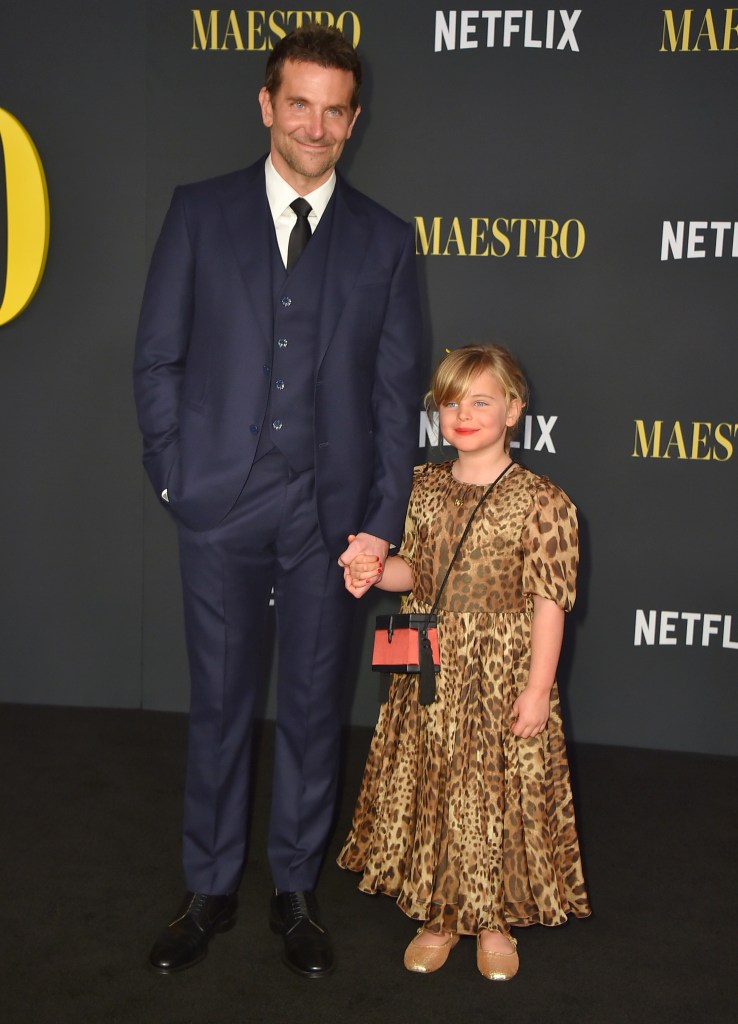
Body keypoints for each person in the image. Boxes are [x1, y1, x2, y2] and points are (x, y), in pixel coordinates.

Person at [133, 25, 422, 978]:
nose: (317, 124)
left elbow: (392, 398)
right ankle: (210, 887)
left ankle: (294, 889)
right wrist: (179, 478)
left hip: (332, 522)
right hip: (220, 505)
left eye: (336, 109)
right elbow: (159, 359)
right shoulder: (199, 213)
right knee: (217, 702)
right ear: (266, 104)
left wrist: (381, 524)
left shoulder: (385, 239)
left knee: (310, 704)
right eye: (299, 103)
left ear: (355, 120)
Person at [338, 344, 590, 980]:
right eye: (451, 403)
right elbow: (412, 572)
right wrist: (373, 571)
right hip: (430, 660)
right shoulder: (419, 486)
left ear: (514, 410)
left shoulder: (545, 500)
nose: (464, 414)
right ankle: (441, 914)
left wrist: (538, 689)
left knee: (495, 786)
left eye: (481, 401)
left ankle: (494, 919)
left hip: (503, 668)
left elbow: (549, 603)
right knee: (437, 779)